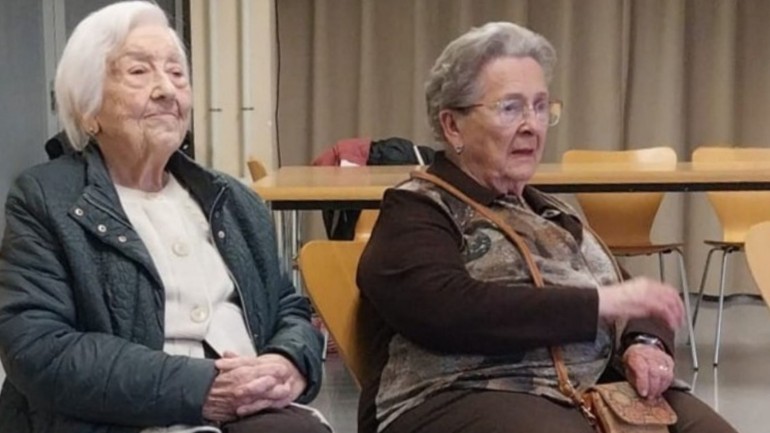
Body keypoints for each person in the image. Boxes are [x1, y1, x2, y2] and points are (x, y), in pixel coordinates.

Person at [356, 22, 737, 433]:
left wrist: (644, 344)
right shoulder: (418, 207)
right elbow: (446, 309)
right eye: (510, 108)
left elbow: (628, 296)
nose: (532, 126)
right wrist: (598, 304)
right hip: (459, 392)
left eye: (540, 107)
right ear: (452, 125)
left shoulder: (550, 212)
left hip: (589, 386)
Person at [0, 2, 328, 433]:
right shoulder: (45, 198)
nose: (167, 90)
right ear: (87, 110)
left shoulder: (232, 199)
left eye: (177, 73)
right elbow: (38, 347)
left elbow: (288, 306)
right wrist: (201, 389)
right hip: (124, 419)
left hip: (255, 412)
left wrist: (290, 361)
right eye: (139, 72)